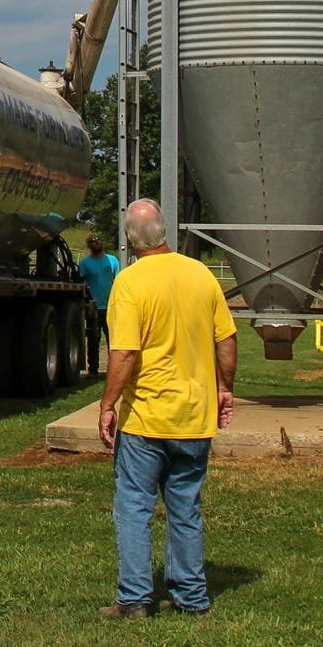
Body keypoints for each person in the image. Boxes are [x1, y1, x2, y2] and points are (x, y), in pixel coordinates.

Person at [97, 197, 237, 619]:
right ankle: (191, 597)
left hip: (146, 418)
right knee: (185, 507)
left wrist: (107, 404)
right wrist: (224, 387)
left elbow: (124, 354)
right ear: (165, 232)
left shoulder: (130, 282)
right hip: (195, 416)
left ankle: (136, 599)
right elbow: (226, 339)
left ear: (129, 239)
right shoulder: (201, 275)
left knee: (134, 507)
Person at [79, 233, 120, 375]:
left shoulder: (113, 261)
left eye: (98, 241)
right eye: (93, 242)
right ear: (89, 246)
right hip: (93, 307)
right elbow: (81, 283)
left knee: (113, 341)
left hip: (110, 307)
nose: (96, 243)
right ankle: (93, 370)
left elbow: (117, 281)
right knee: (93, 340)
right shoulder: (85, 263)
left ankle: (114, 369)